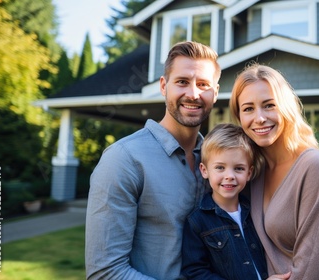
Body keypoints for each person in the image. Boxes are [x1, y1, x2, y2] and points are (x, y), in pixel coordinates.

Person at [85, 41, 221, 279]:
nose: (193, 93)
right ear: (163, 86)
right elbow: (105, 272)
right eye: (182, 82)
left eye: (203, 84)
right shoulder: (123, 159)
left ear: (215, 93)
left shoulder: (218, 162)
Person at [229, 63, 319, 280]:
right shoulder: (254, 174)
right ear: (240, 117)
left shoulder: (316, 167)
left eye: (269, 105)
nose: (259, 118)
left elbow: (312, 270)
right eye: (248, 108)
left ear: (286, 108)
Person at [181, 123, 291, 280]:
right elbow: (195, 272)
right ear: (204, 170)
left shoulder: (256, 211)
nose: (229, 176)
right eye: (220, 168)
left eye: (238, 168)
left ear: (249, 173)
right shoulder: (197, 221)